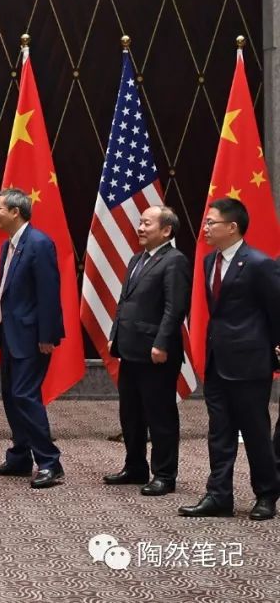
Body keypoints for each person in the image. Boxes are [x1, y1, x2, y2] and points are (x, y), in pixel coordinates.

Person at [179, 197, 280, 520]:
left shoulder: (260, 264)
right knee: (219, 433)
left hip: (250, 364)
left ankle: (266, 495)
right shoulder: (210, 261)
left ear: (232, 227)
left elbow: (275, 312)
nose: (205, 228)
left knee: (255, 433)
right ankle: (218, 495)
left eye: (212, 222)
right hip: (217, 361)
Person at [104, 206, 189, 496]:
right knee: (131, 413)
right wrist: (114, 335)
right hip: (130, 349)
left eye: (147, 223)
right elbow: (124, 302)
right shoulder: (136, 259)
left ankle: (164, 474)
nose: (140, 228)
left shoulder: (175, 261)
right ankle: (135, 466)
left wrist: (162, 343)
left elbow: (175, 308)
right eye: (140, 222)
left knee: (160, 415)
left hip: (156, 352)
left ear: (166, 230)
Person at [0, 188, 65, 489]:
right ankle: (20, 456)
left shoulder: (39, 243)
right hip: (10, 333)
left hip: (32, 337)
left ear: (15, 212)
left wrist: (47, 335)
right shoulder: (9, 245)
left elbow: (49, 292)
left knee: (24, 395)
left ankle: (50, 462)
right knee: (11, 396)